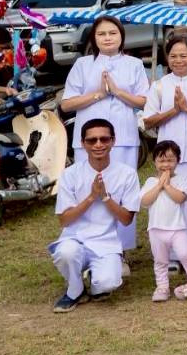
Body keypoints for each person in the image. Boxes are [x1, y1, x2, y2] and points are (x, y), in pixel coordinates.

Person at [60, 16, 148, 258]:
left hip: (123, 137)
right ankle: (86, 246)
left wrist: (118, 92)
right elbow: (66, 103)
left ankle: (121, 251)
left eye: (112, 33)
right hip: (88, 139)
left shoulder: (134, 64)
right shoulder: (82, 65)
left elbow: (143, 100)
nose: (107, 38)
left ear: (121, 36)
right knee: (87, 189)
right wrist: (98, 94)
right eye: (102, 34)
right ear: (94, 38)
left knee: (121, 190)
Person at [49, 118, 141, 313]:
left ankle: (95, 280)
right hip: (75, 239)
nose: (98, 144)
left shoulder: (127, 174)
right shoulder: (70, 174)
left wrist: (106, 197)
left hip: (106, 243)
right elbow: (64, 220)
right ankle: (75, 290)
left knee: (108, 284)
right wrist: (91, 197)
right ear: (83, 144)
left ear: (113, 141)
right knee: (66, 253)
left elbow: (126, 219)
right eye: (92, 140)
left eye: (104, 139)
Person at [141, 35, 187, 252]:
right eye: (173, 56)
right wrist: (173, 111)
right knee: (169, 204)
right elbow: (147, 121)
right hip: (168, 158)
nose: (178, 60)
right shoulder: (159, 86)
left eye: (184, 55)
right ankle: (172, 254)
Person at [140, 140, 187, 302]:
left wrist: (167, 185)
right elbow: (145, 201)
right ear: (155, 162)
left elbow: (179, 198)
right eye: (161, 160)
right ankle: (162, 286)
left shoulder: (181, 181)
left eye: (170, 160)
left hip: (177, 228)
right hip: (156, 229)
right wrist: (159, 185)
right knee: (160, 260)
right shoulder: (151, 182)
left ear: (178, 161)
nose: (166, 164)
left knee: (185, 253)